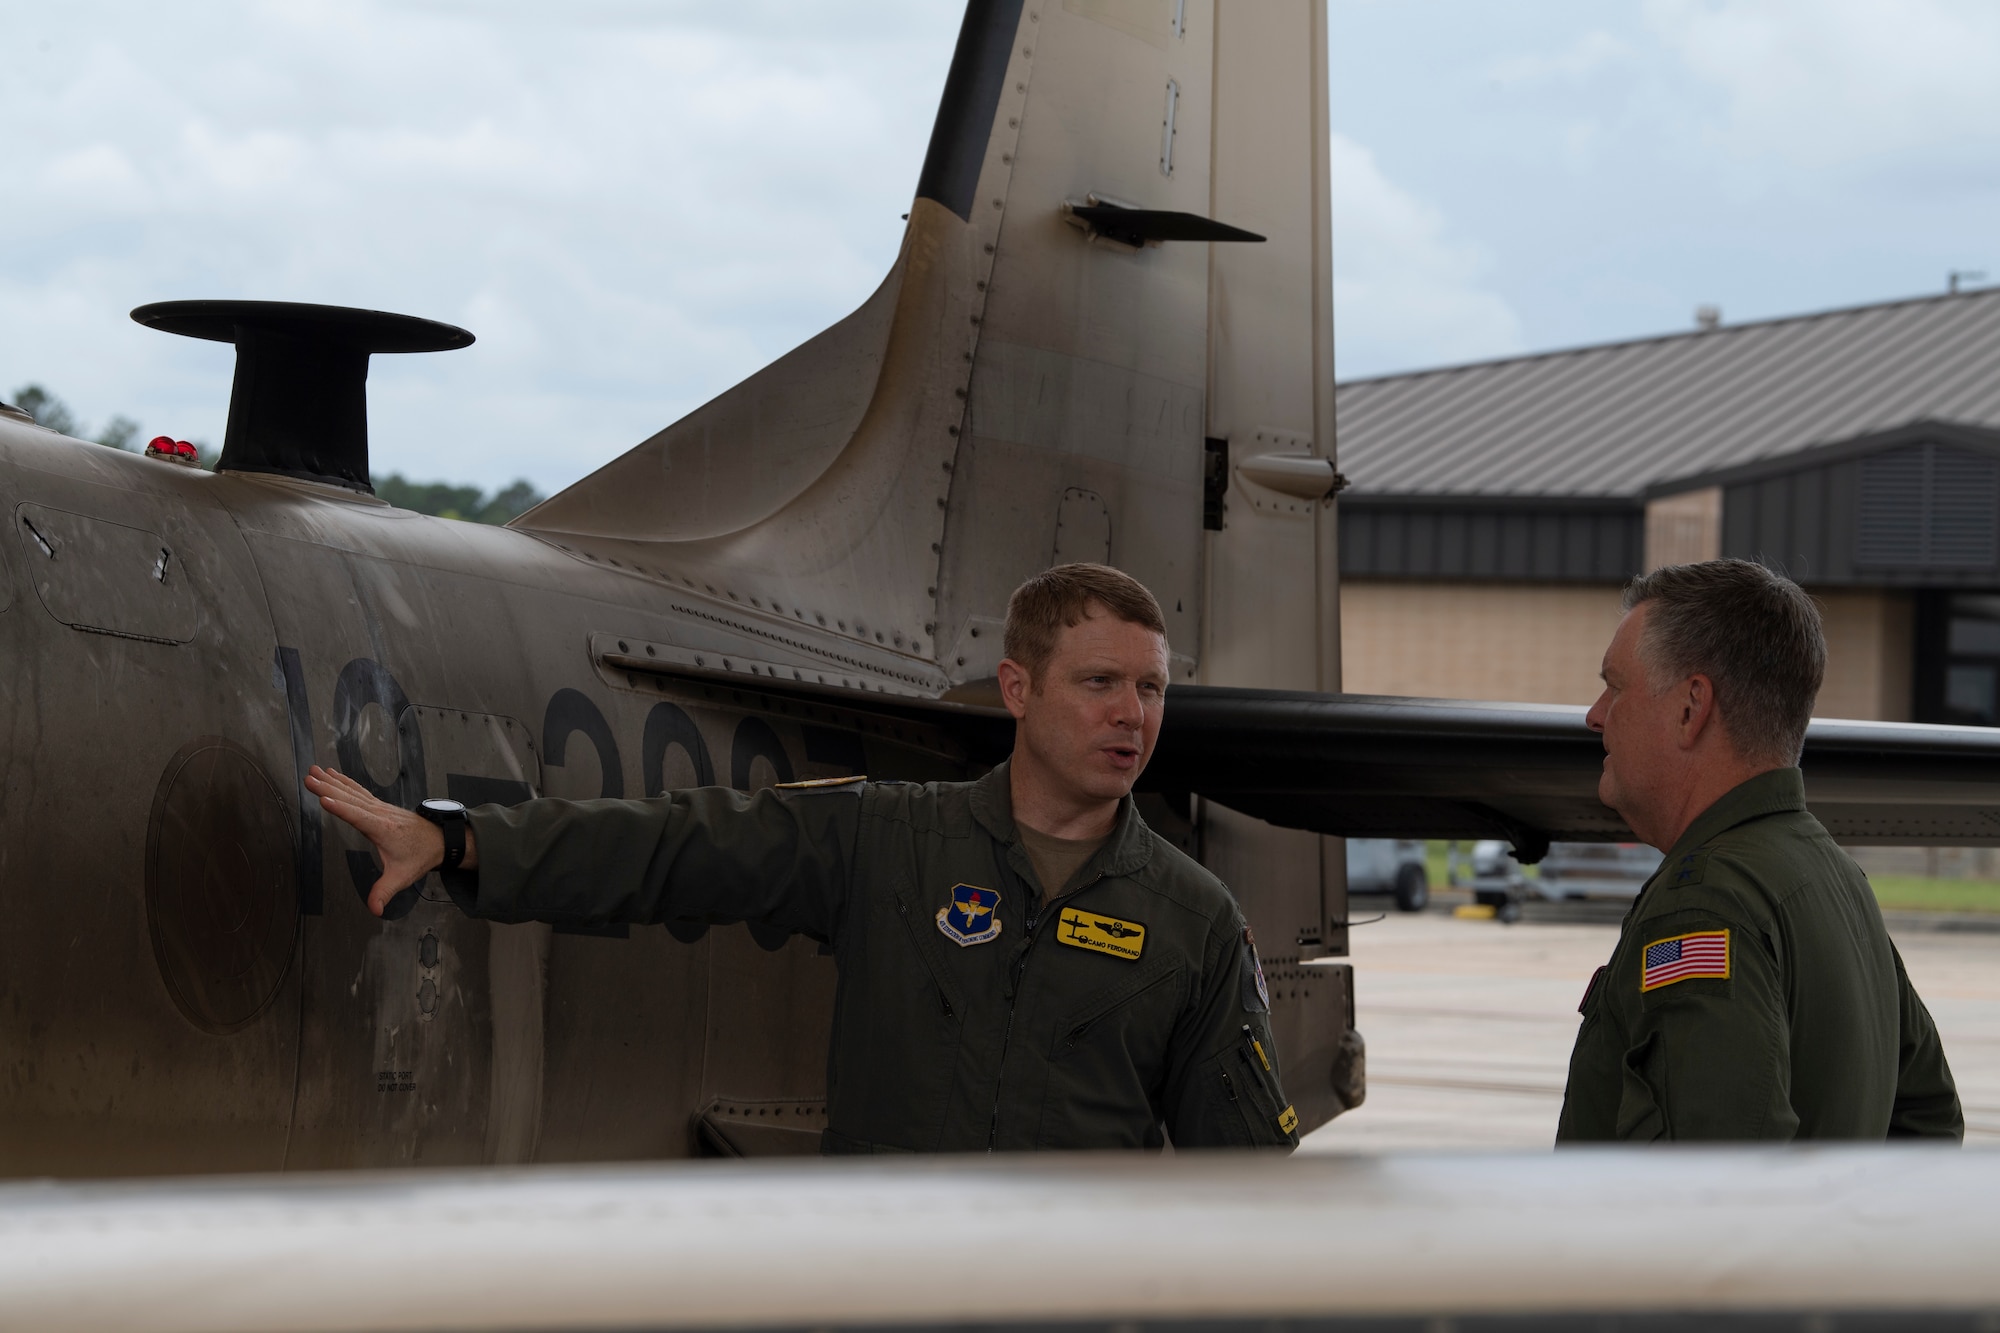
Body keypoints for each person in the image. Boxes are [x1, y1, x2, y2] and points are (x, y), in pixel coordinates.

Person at [307, 563, 1298, 1153]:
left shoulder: (1192, 920)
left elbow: (1248, 1178)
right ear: (1016, 687)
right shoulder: (884, 841)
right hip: (881, 1293)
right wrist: (461, 837)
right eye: (1099, 683)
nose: (1132, 714)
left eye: (1151, 689)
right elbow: (677, 847)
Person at [1557, 559, 1962, 1142]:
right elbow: (1929, 1121)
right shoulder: (1836, 878)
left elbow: (1719, 1196)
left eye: (1615, 687)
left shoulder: (1707, 905)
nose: (1596, 716)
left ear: (1691, 708)